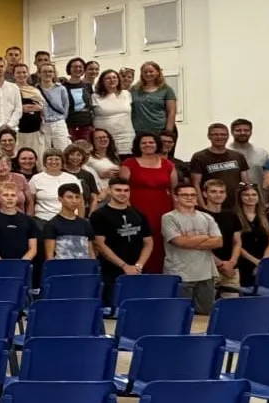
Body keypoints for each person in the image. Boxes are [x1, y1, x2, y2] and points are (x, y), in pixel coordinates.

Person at [119, 133, 177, 273]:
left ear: (157, 144)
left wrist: (176, 213)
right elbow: (122, 190)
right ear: (138, 146)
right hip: (136, 210)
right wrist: (127, 211)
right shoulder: (129, 163)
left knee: (161, 243)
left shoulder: (168, 165)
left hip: (163, 210)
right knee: (140, 241)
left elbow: (174, 190)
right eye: (144, 143)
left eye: (151, 142)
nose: (148, 145)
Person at [161, 183, 223, 313]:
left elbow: (218, 242)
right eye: (185, 195)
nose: (190, 198)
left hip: (206, 274)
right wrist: (205, 236)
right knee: (180, 314)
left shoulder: (206, 217)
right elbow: (180, 242)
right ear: (176, 197)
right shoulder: (169, 218)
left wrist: (190, 241)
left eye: (193, 195)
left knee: (205, 315)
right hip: (180, 274)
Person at [91, 179, 154, 297]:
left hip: (137, 271)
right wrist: (124, 266)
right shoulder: (99, 215)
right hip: (110, 272)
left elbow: (148, 242)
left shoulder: (139, 214)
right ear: (109, 191)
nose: (122, 193)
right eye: (118, 190)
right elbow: (100, 244)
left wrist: (138, 265)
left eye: (126, 190)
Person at [200, 179, 243, 291]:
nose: (218, 195)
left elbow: (237, 242)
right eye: (213, 191)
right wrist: (220, 264)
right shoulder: (199, 215)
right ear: (205, 194)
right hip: (208, 268)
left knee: (232, 300)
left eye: (221, 192)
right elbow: (200, 245)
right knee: (208, 301)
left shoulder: (231, 215)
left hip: (231, 268)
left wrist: (232, 263)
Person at [185, 123, 249, 198]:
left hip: (236, 202)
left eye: (223, 134)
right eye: (215, 134)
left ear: (228, 136)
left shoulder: (238, 156)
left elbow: (245, 182)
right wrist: (202, 204)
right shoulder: (199, 157)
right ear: (209, 136)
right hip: (210, 202)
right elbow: (196, 185)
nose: (219, 137)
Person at [231, 184, 269, 290]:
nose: (250, 197)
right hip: (243, 262)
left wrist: (264, 262)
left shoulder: (268, 218)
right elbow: (236, 244)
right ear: (240, 198)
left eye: (254, 195)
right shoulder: (233, 217)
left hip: (265, 263)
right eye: (246, 195)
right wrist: (255, 261)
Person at [40, 184, 95, 261]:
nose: (74, 201)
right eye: (70, 197)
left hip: (84, 266)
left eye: (77, 197)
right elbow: (49, 257)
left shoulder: (85, 224)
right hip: (62, 267)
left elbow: (91, 252)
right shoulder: (51, 225)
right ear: (60, 199)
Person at [0, 183, 39, 263]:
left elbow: (33, 249)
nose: (9, 198)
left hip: (22, 264)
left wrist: (21, 264)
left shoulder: (28, 220)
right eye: (5, 195)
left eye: (13, 195)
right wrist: (1, 264)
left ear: (17, 197)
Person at [128, 62, 177, 140]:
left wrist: (168, 133)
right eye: (145, 72)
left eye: (151, 71)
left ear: (158, 72)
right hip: (139, 131)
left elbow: (172, 112)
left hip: (160, 130)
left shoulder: (166, 89)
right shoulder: (134, 89)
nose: (148, 74)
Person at [91, 70, 134, 156]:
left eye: (114, 77)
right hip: (104, 139)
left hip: (126, 136)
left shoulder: (127, 94)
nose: (112, 80)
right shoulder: (95, 96)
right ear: (102, 81)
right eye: (108, 78)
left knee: (126, 160)